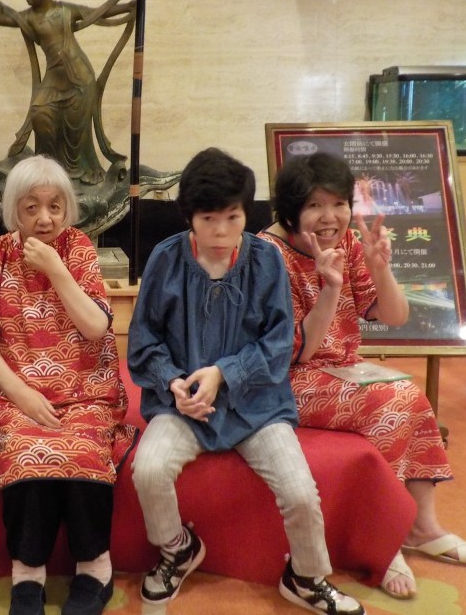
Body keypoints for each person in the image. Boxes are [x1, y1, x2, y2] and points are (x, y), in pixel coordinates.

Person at [128, 147, 364, 615]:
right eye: (208, 219)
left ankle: (306, 577)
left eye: (233, 217)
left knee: (300, 491)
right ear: (189, 217)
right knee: (148, 469)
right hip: (184, 407)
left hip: (257, 406)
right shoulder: (165, 259)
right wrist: (173, 383)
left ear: (245, 214)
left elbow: (279, 343)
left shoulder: (266, 260)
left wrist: (223, 373)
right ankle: (177, 548)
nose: (221, 231)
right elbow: (143, 340)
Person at [259, 152, 466, 600]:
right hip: (286, 377)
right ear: (290, 211)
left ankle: (422, 527)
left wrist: (381, 267)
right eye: (314, 206)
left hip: (342, 369)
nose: (329, 217)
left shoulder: (349, 241)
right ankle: (385, 540)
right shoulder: (267, 254)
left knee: (412, 396)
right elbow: (300, 349)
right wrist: (330, 287)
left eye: (338, 204)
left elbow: (395, 315)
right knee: (391, 401)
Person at [0, 155, 136, 615]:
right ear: (14, 210)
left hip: (84, 388)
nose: (44, 218)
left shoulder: (78, 247)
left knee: (83, 451)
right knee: (25, 452)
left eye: (54, 207)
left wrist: (56, 269)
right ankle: (27, 575)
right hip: (16, 389)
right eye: (31, 208)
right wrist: (21, 395)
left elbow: (95, 327)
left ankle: (95, 568)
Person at [0, 0, 132, 186]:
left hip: (79, 77)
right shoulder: (28, 17)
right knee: (39, 113)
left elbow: (98, 12)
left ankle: (76, 174)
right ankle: (48, 173)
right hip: (54, 78)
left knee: (76, 131)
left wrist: (129, 6)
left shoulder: (65, 10)